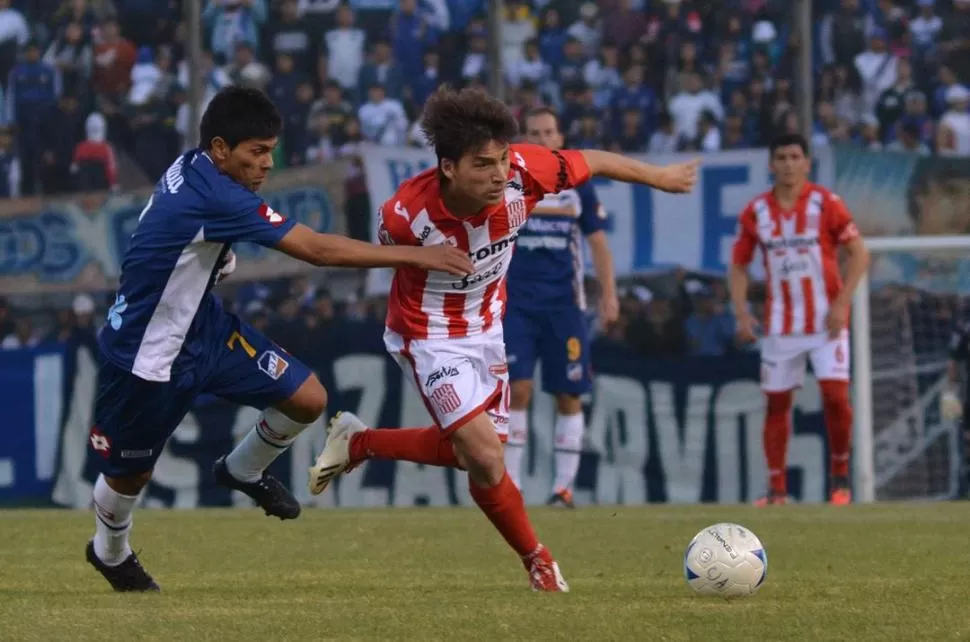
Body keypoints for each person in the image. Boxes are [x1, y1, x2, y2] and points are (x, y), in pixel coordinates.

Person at [308, 86, 697, 591]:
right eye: (482, 165)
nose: (497, 175)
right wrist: (418, 257)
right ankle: (539, 561)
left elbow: (592, 160)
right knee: (489, 458)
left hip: (488, 330)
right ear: (448, 167)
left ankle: (359, 441)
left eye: (501, 161)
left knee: (476, 453)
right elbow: (350, 254)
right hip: (428, 337)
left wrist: (660, 178)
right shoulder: (404, 214)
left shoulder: (525, 171)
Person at [86, 86, 473, 592]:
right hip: (146, 355)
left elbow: (174, 235)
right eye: (258, 152)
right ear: (221, 148)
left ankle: (242, 471)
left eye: (271, 151)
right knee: (128, 477)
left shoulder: (198, 166)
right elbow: (316, 250)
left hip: (204, 327)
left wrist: (215, 259)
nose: (268, 163)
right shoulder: (216, 195)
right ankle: (109, 553)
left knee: (307, 398)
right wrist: (419, 256)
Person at [729, 133, 870, 507]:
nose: (788, 164)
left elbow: (858, 255)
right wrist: (742, 312)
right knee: (776, 403)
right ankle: (777, 489)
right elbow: (739, 265)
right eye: (781, 156)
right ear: (771, 165)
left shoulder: (827, 204)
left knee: (836, 397)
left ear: (807, 163)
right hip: (780, 324)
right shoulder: (756, 212)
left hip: (827, 322)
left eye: (795, 156)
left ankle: (840, 477)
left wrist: (841, 303)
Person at [501, 107, 619, 508]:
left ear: (560, 137)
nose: (541, 139)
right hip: (514, 305)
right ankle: (511, 488)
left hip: (564, 307)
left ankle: (563, 489)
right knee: (517, 390)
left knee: (568, 394)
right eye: (533, 133)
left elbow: (598, 244)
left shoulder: (579, 185)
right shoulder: (509, 182)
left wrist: (610, 294)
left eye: (548, 132)